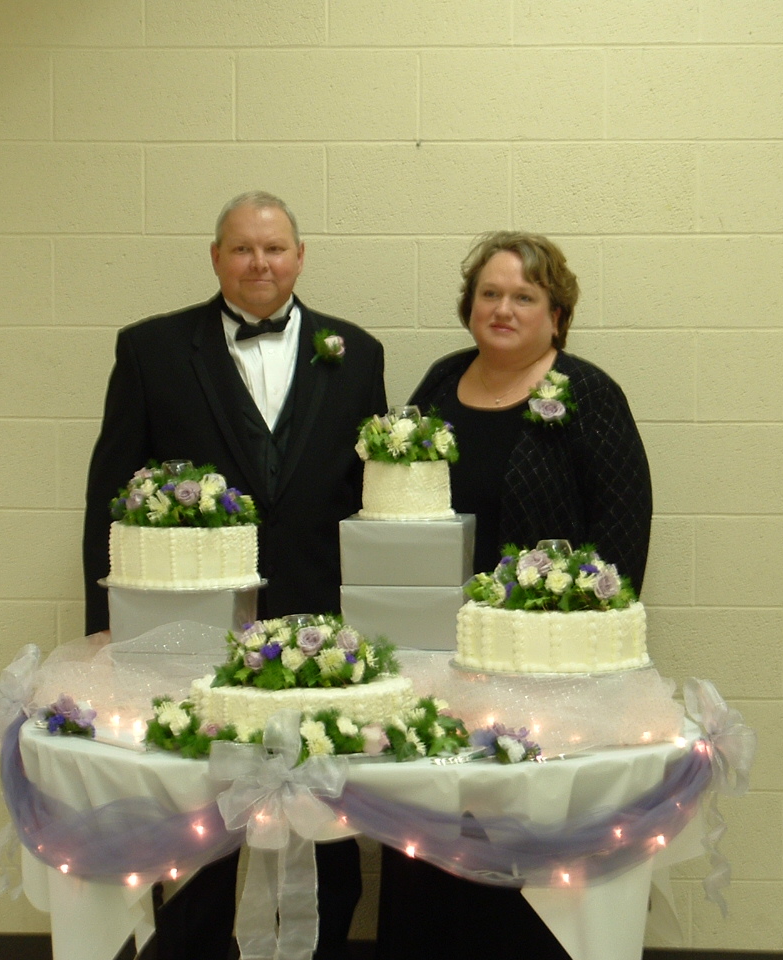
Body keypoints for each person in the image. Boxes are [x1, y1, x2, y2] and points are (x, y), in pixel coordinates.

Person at [82, 191, 387, 960]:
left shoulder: (358, 352)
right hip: (193, 621)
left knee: (325, 815)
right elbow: (110, 491)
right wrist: (103, 613)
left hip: (319, 627)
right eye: (244, 249)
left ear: (300, 257)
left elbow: (368, 499)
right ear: (216, 257)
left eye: (275, 248)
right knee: (203, 815)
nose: (261, 263)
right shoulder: (151, 350)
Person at [376, 231, 652, 960]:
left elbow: (623, 536)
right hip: (436, 665)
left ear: (556, 316)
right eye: (489, 294)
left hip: (548, 675)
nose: (503, 309)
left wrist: (586, 647)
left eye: (524, 297)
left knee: (525, 857)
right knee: (434, 849)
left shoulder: (588, 395)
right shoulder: (438, 383)